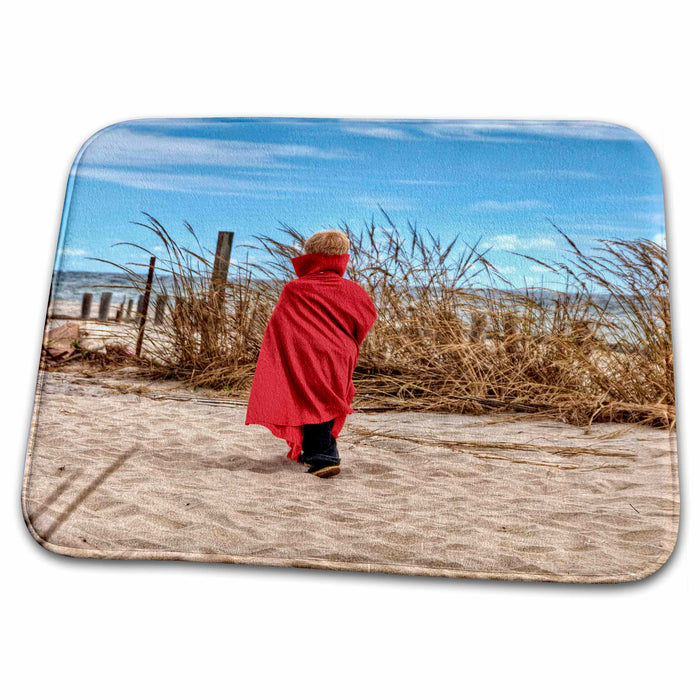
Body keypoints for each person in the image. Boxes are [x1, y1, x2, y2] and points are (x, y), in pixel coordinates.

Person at [245, 229, 377, 478]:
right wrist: (346, 341)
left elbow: (280, 326)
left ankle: (324, 457)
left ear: (310, 257)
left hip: (304, 353)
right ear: (342, 257)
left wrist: (287, 353)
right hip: (340, 353)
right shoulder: (353, 290)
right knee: (327, 397)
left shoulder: (294, 289)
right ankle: (316, 452)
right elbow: (366, 318)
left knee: (310, 397)